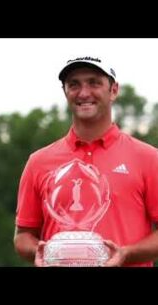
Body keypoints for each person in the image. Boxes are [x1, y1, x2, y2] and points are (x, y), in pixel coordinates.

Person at [14, 56, 158, 267]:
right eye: (74, 84)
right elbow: (23, 236)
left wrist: (125, 254)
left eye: (94, 82)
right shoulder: (38, 162)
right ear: (65, 92)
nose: (83, 93)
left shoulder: (148, 158)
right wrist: (42, 252)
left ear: (114, 90)